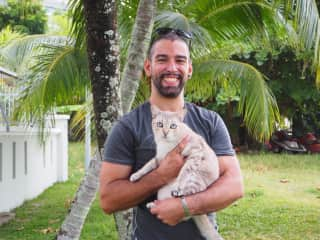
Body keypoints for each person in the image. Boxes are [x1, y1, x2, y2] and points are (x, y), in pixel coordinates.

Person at [100, 27, 244, 240]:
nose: (171, 68)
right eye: (162, 60)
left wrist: (185, 207)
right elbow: (108, 200)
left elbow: (234, 186)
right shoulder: (128, 127)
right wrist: (162, 175)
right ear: (148, 67)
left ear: (189, 69)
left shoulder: (210, 122)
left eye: (180, 60)